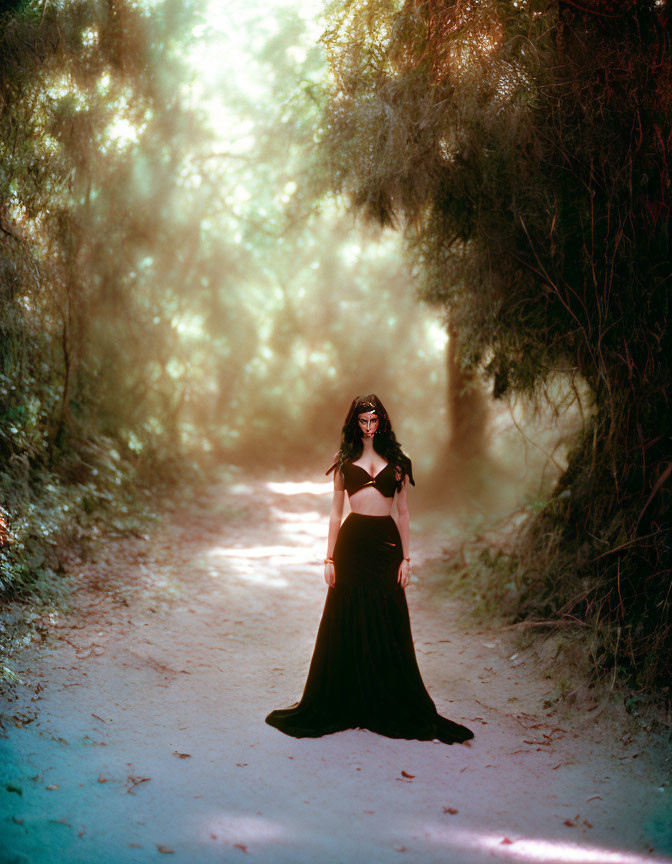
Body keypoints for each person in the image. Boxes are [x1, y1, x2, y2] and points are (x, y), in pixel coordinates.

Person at [265, 394, 474, 745]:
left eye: (373, 421)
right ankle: (348, 699)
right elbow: (334, 513)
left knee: (388, 618)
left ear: (382, 422)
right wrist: (328, 559)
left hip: (386, 546)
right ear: (355, 423)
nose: (368, 427)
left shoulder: (397, 463)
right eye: (362, 421)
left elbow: (403, 513)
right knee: (346, 617)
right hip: (351, 545)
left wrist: (407, 559)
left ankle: (385, 700)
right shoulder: (344, 462)